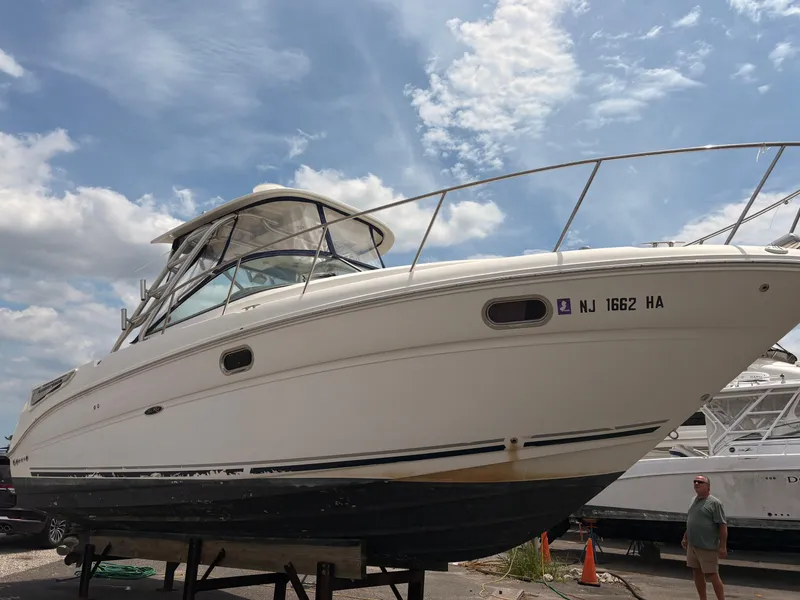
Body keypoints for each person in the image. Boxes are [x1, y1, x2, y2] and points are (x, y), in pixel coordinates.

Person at [681, 475, 728, 600]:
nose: (696, 483)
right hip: (693, 545)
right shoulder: (693, 500)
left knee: (712, 574)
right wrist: (685, 537)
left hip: (707, 545)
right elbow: (692, 520)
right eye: (695, 482)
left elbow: (722, 526)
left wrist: (723, 546)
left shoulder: (715, 503)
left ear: (708, 486)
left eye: (700, 482)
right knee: (696, 572)